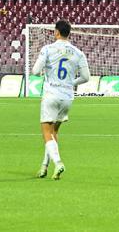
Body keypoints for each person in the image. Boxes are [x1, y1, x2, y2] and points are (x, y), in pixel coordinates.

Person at [31, 20, 90, 180]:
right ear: (68, 33)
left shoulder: (48, 49)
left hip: (51, 94)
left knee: (46, 132)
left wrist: (45, 73)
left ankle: (58, 163)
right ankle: (44, 167)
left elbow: (35, 71)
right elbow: (86, 77)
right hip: (67, 97)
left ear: (56, 32)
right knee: (54, 132)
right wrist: (71, 82)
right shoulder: (78, 53)